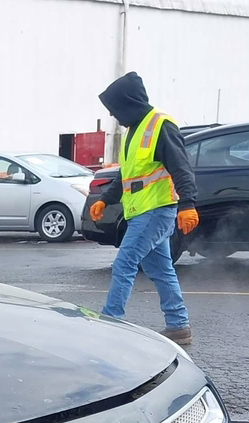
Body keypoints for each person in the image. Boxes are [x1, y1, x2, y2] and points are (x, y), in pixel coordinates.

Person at [90, 71, 199, 345]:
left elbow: (182, 168)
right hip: (143, 211)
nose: (115, 116)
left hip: (156, 211)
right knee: (161, 271)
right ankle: (178, 326)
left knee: (124, 264)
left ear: (128, 104)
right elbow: (127, 176)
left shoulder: (160, 126)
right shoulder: (133, 132)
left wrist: (188, 204)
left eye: (116, 110)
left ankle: (110, 322)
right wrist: (105, 199)